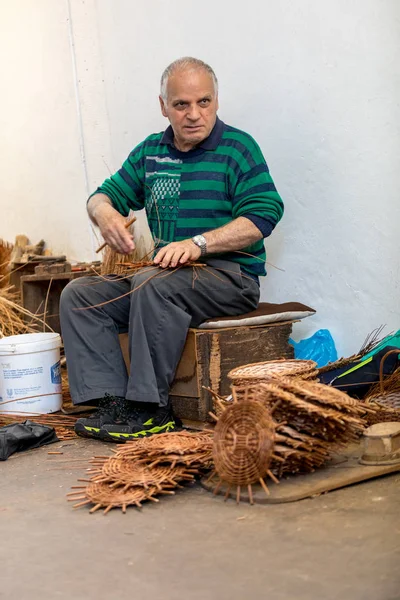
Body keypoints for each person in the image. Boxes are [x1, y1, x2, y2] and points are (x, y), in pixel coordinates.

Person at [60, 57, 284, 442]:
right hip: (166, 280)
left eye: (204, 102)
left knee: (151, 282)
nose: (194, 114)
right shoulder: (151, 152)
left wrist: (199, 244)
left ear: (216, 102)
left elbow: (263, 215)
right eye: (181, 104)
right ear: (163, 106)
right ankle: (112, 403)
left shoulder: (238, 148)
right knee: (80, 295)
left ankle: (152, 410)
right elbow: (102, 196)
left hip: (230, 279)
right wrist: (105, 215)